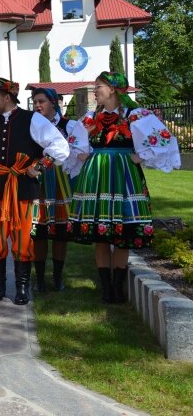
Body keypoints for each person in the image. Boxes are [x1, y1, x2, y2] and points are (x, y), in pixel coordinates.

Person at [69, 71, 180, 303]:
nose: (95, 90)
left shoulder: (135, 115)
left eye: (98, 86)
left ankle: (118, 286)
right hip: (96, 176)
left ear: (112, 89)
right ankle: (106, 288)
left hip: (124, 175)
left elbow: (164, 138)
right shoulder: (90, 118)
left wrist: (142, 156)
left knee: (123, 232)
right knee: (100, 234)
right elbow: (73, 144)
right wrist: (80, 153)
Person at [0, 78, 69, 305]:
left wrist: (39, 167)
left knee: (21, 235)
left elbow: (60, 146)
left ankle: (22, 287)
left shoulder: (33, 120)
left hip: (22, 186)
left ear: (6, 97)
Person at [29, 88, 90, 292]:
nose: (37, 105)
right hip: (37, 179)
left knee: (60, 232)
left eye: (42, 101)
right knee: (38, 231)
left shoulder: (70, 126)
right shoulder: (29, 125)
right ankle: (39, 278)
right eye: (34, 101)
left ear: (53, 103)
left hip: (60, 180)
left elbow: (81, 150)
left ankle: (57, 277)